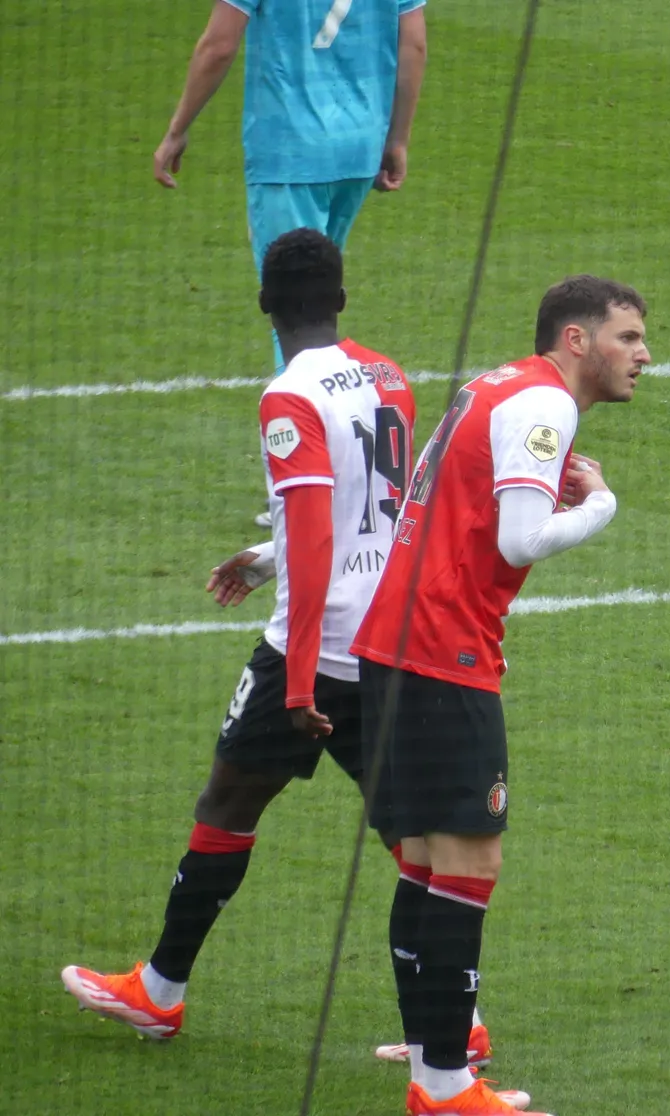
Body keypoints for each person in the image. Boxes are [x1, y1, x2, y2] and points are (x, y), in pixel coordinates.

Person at [58, 228, 427, 1052]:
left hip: (319, 647)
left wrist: (296, 683)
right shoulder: (390, 376)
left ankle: (159, 992)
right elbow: (381, 509)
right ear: (340, 296)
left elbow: (318, 535)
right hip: (392, 639)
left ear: (266, 305)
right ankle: (456, 1028)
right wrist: (265, 557)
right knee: (415, 832)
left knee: (228, 801)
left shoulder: (288, 399)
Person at [351, 275, 650, 1116]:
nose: (644, 354)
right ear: (576, 340)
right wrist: (603, 507)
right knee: (468, 863)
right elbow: (521, 537)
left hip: (393, 642)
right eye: (627, 337)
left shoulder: (496, 383)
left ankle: (431, 1058)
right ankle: (446, 1088)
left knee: (422, 864)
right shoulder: (546, 410)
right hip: (442, 652)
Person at [151, 0, 428, 525]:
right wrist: (396, 138)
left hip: (289, 152)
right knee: (319, 309)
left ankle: (298, 485)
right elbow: (412, 43)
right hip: (357, 149)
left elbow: (219, 44)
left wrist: (177, 128)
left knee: (294, 317)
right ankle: (339, 468)